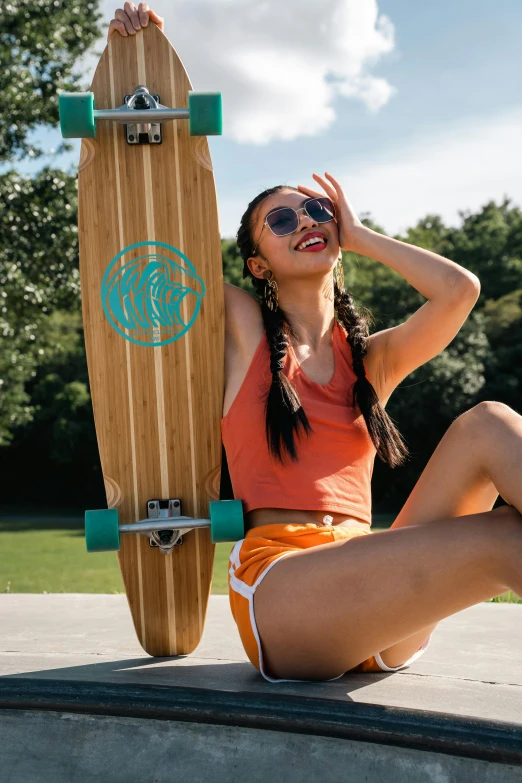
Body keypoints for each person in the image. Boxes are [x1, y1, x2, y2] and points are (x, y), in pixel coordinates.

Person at [109, 3, 522, 683]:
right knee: (508, 539)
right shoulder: (242, 329)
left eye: (317, 210)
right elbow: (155, 240)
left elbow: (461, 290)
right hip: (285, 596)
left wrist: (358, 234)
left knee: (489, 424)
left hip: (379, 598)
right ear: (258, 264)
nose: (306, 218)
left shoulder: (371, 362)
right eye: (281, 218)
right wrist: (136, 77)